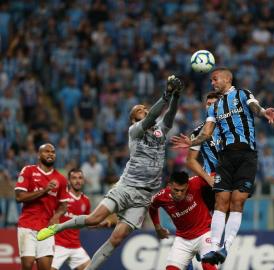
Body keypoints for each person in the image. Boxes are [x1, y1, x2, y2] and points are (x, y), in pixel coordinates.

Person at [37, 75, 184, 270]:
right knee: (93, 220)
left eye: (145, 108)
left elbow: (170, 116)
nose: (144, 110)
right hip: (126, 186)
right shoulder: (135, 130)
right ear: (133, 118)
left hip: (144, 196)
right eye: (139, 110)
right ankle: (57, 227)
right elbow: (150, 118)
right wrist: (166, 95)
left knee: (116, 239)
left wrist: (176, 96)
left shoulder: (160, 131)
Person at [171, 67, 274, 264]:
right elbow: (206, 134)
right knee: (220, 202)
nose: (212, 83)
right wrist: (192, 142)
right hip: (225, 158)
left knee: (237, 202)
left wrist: (264, 112)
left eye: (215, 79)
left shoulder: (242, 94)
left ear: (227, 78)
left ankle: (225, 247)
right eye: (211, 80)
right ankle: (213, 249)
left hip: (246, 155)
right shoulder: (214, 107)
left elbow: (255, 107)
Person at [15, 143, 69, 270]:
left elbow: (63, 205)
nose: (50, 154)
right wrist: (44, 191)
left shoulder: (60, 179)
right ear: (39, 155)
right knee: (27, 265)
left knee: (45, 267)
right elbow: (19, 197)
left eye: (53, 152)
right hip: (27, 225)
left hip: (47, 229)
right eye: (46, 151)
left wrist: (56, 216)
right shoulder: (28, 170)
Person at [149, 171, 216, 270]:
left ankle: (199, 253)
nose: (179, 194)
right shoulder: (161, 197)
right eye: (176, 190)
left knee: (208, 266)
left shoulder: (195, 182)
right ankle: (194, 255)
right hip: (183, 239)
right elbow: (152, 207)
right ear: (169, 186)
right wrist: (158, 227)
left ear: (187, 185)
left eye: (183, 190)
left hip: (205, 233)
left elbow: (216, 174)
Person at [186, 91, 220, 212]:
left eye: (214, 104)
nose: (210, 106)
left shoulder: (234, 127)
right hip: (212, 181)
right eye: (208, 104)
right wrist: (208, 178)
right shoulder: (198, 132)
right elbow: (190, 160)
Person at [51, 169, 91, 270]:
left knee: (90, 267)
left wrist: (105, 222)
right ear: (68, 181)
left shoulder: (86, 201)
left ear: (83, 181)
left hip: (75, 246)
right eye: (74, 178)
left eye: (80, 178)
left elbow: (88, 222)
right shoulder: (62, 197)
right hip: (58, 244)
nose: (78, 181)